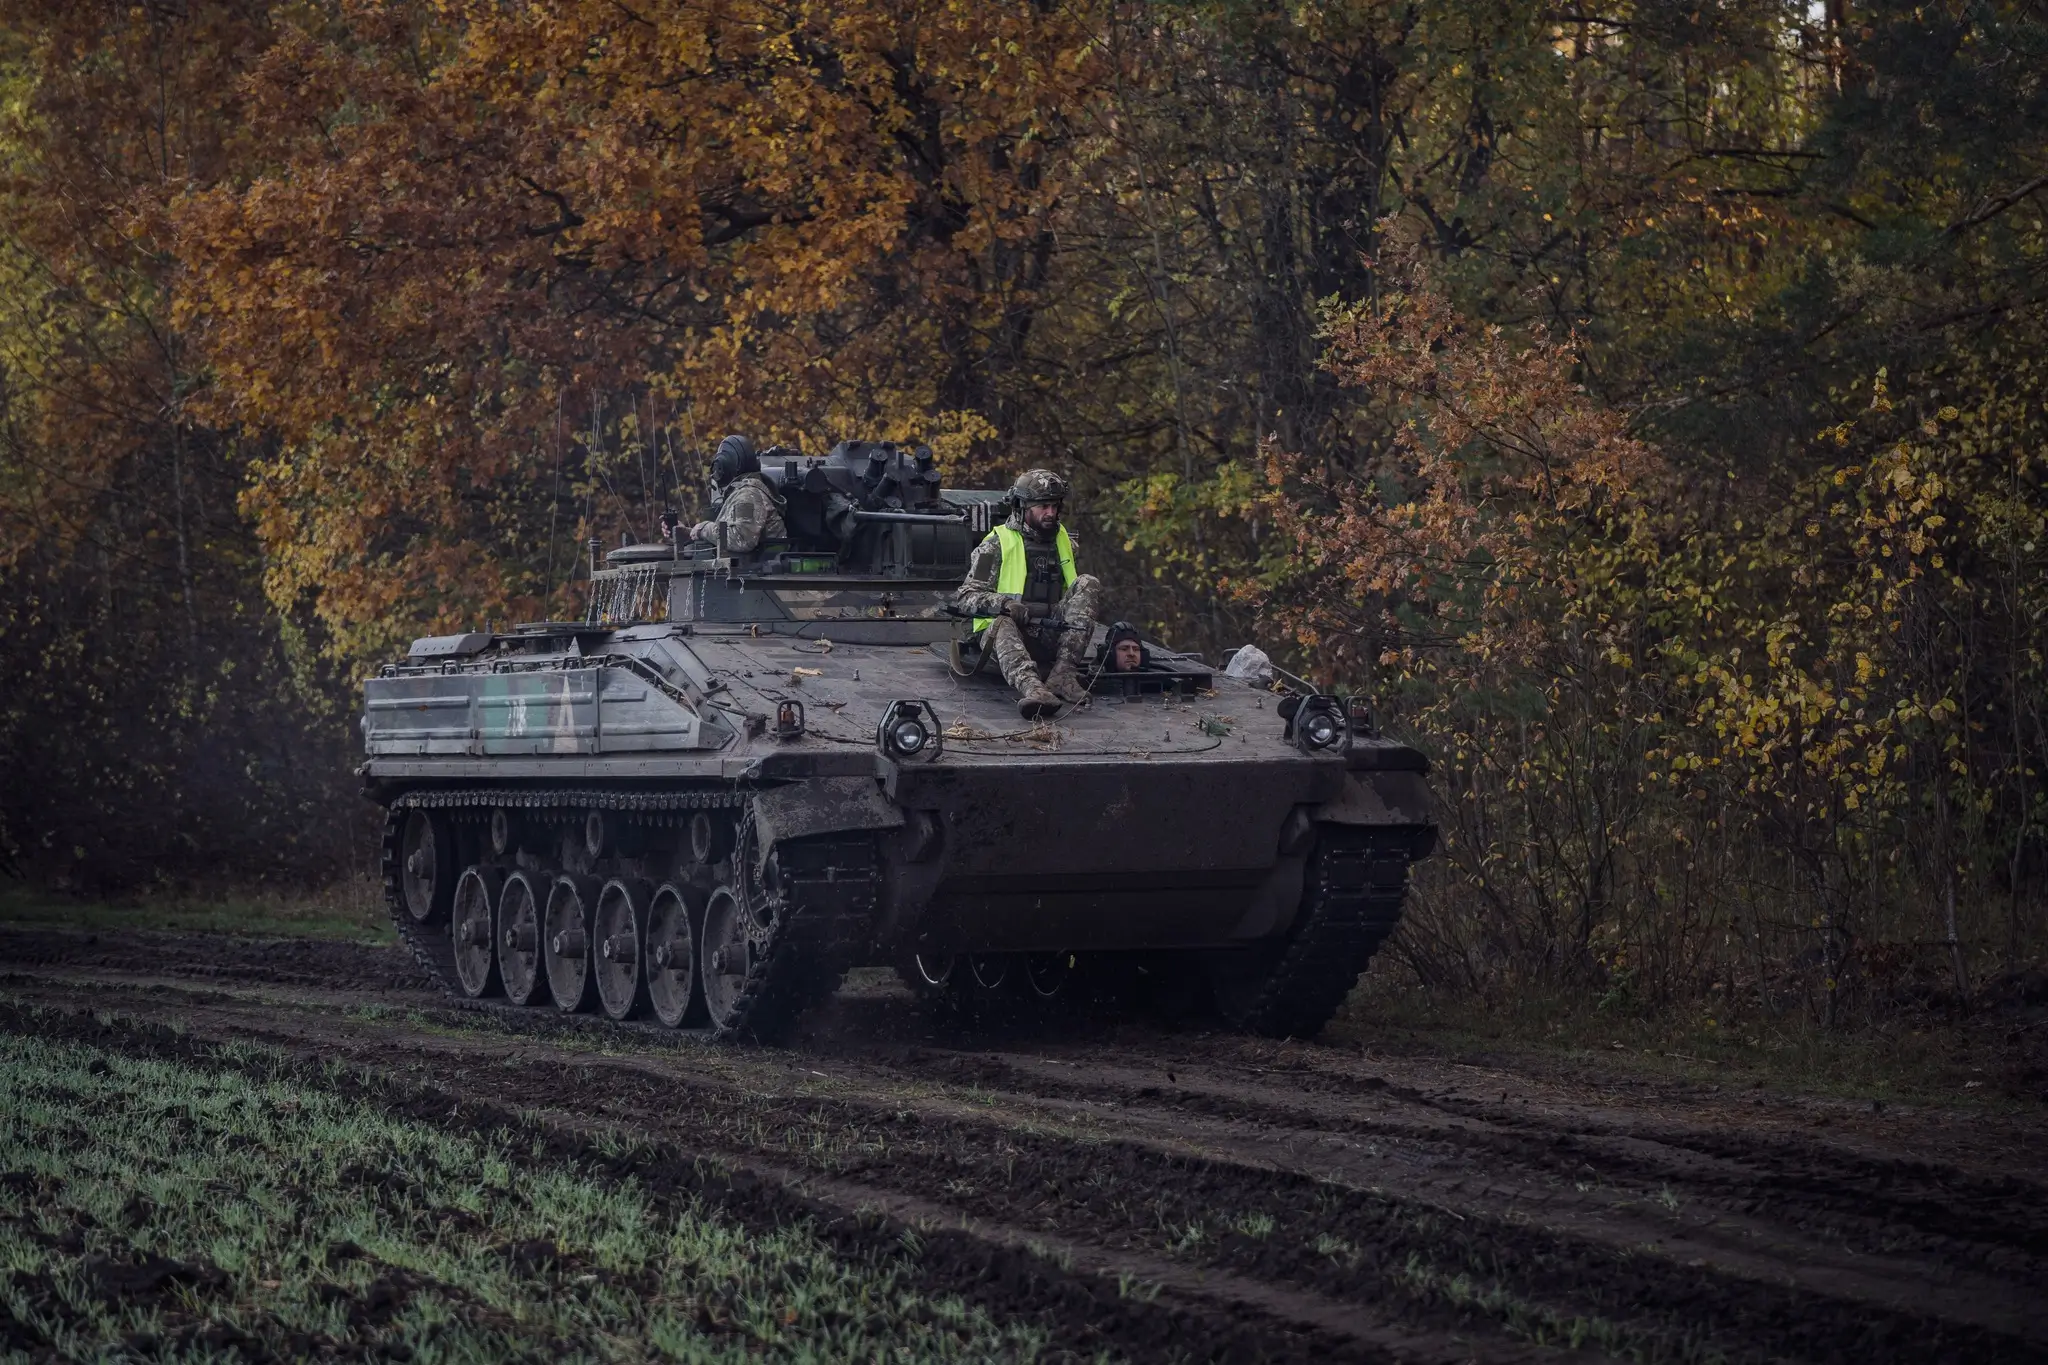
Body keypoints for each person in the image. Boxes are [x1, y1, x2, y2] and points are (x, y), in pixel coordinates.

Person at [953, 468, 1103, 718]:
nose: (1051, 513)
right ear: (1022, 507)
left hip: (1050, 631)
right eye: (1043, 506)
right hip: (1005, 636)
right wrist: (1004, 603)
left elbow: (1071, 592)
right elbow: (966, 596)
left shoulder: (1063, 540)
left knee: (1089, 582)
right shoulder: (995, 544)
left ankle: (1063, 676)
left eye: (1055, 506)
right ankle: (1033, 689)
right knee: (1002, 623)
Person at [661, 434, 786, 555]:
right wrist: (688, 533)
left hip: (762, 568)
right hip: (752, 568)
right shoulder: (741, 492)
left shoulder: (749, 494)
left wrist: (703, 529)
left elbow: (741, 539)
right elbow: (727, 537)